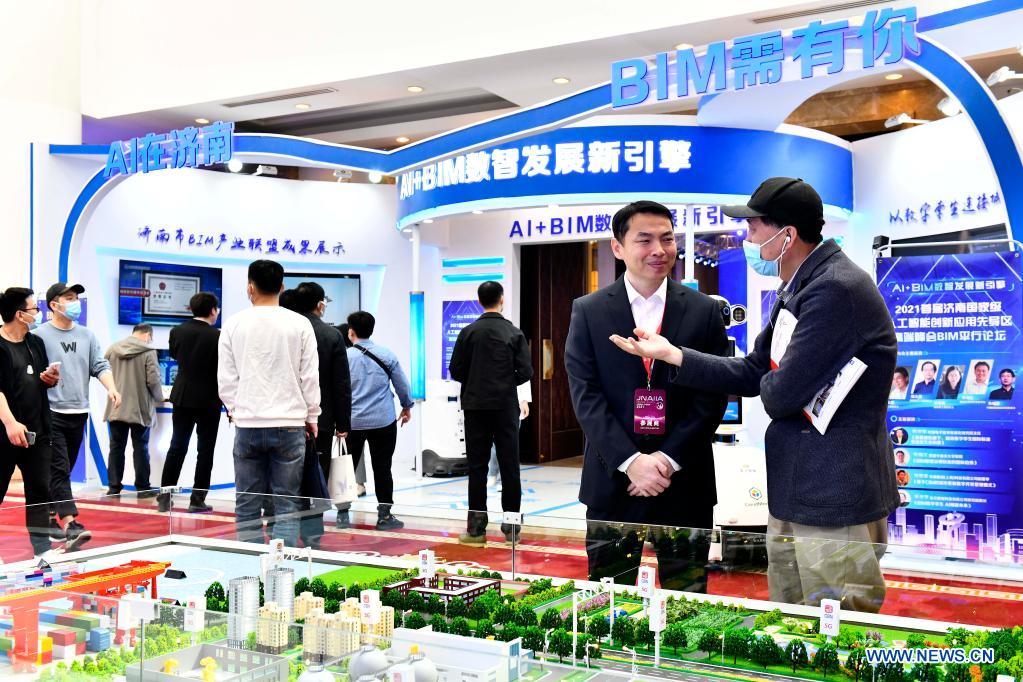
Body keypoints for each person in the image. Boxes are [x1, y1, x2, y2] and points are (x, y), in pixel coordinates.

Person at [610, 178, 899, 612]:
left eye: (754, 228)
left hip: (833, 493)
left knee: (840, 623)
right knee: (793, 618)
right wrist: (673, 354)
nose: (748, 239)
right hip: (798, 489)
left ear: (787, 235)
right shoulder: (798, 285)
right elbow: (753, 370)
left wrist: (772, 379)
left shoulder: (834, 288)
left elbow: (778, 394)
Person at [566, 200, 729, 593]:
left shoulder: (705, 311)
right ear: (618, 247)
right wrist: (631, 462)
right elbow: (585, 394)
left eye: (667, 238)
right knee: (607, 598)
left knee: (688, 598)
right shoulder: (588, 311)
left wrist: (666, 461)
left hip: (684, 481)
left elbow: (713, 394)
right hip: (613, 482)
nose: (659, 249)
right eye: (645, 239)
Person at [217, 260, 320, 547]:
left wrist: (237, 411)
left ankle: (248, 570)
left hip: (248, 425)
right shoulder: (300, 324)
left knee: (247, 503)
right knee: (287, 503)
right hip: (290, 425)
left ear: (250, 288)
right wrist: (312, 415)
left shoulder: (234, 323)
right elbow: (309, 376)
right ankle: (280, 571)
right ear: (282, 287)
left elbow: (225, 379)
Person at [34, 282, 121, 550]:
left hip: (79, 411)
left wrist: (112, 388)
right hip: (50, 411)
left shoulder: (87, 335)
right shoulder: (39, 336)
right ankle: (72, 524)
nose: (75, 303)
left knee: (63, 468)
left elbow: (100, 365)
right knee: (59, 468)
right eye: (68, 298)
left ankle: (48, 516)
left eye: (76, 298)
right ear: (54, 305)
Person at [449, 281, 533, 545]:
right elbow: (526, 372)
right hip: (505, 406)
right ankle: (511, 528)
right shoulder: (513, 333)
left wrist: (475, 380)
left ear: (479, 301)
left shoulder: (468, 332)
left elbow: (456, 370)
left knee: (477, 468)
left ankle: (476, 529)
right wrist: (506, 380)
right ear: (502, 299)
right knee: (509, 466)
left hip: (474, 407)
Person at [0, 288, 66, 558]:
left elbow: (34, 379)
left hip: (37, 431)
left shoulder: (35, 343)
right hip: (5, 431)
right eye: (34, 309)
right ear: (19, 314)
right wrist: (10, 423)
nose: (38, 314)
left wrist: (48, 378)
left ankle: (42, 551)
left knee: (40, 490)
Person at [341, 311, 413, 531]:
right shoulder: (387, 355)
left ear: (350, 332)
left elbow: (338, 390)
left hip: (353, 422)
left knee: (347, 468)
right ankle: (384, 515)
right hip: (383, 421)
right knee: (383, 468)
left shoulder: (344, 357)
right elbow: (402, 384)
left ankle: (343, 515)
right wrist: (406, 406)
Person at [294, 281, 352, 548]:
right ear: (320, 305)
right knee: (316, 476)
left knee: (286, 477)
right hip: (323, 418)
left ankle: (283, 528)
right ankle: (313, 533)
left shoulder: (288, 329)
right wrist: (344, 422)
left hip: (287, 416)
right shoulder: (331, 335)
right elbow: (341, 384)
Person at [158, 292, 222, 513]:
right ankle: (197, 499)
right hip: (210, 399)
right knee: (205, 451)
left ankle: (164, 497)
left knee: (177, 446)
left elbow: (176, 356)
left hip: (183, 396)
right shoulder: (218, 336)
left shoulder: (177, 331)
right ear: (213, 310)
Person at [103, 324, 163, 497]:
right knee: (141, 448)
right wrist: (160, 397)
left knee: (116, 448)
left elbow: (104, 372)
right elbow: (153, 381)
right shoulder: (149, 352)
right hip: (140, 408)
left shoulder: (113, 349)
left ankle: (113, 488)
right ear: (147, 335)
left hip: (116, 406)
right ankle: (143, 488)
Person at [337, 322, 368, 497]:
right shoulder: (365, 355)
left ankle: (344, 486)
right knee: (357, 452)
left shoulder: (345, 357)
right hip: (359, 412)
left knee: (347, 452)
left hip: (349, 411)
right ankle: (358, 484)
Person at [487, 381, 531, 490]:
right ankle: (492, 473)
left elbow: (524, 372)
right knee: (493, 442)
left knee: (508, 444)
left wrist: (524, 400)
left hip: (513, 402)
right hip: (489, 401)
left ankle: (504, 479)